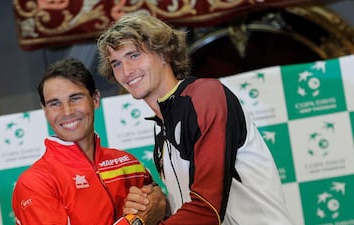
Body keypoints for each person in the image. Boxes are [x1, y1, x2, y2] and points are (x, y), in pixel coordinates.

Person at [97, 12, 295, 225]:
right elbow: (188, 206)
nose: (126, 71)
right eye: (116, 63)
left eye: (134, 55)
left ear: (164, 53)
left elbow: (207, 209)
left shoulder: (205, 96)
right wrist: (156, 206)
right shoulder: (161, 125)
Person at [12, 57, 162, 225]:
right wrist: (137, 221)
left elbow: (161, 211)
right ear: (44, 110)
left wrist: (159, 201)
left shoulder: (127, 164)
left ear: (95, 99)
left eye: (75, 98)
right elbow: (144, 217)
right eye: (55, 104)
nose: (67, 111)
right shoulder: (35, 183)